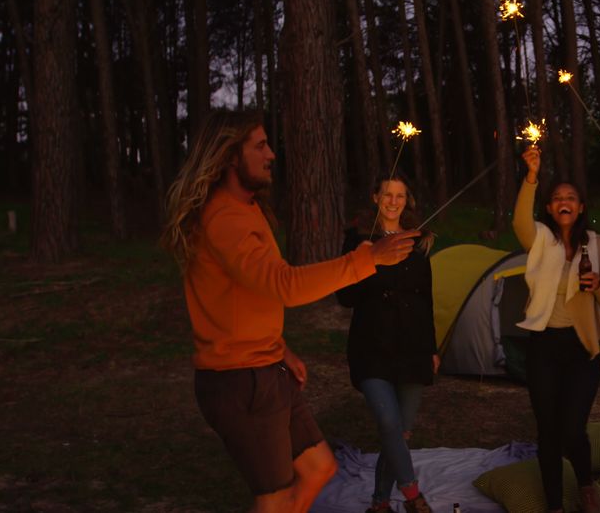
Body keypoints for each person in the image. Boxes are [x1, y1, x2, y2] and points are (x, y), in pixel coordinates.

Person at [161, 110, 418, 513]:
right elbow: (283, 285)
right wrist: (366, 260)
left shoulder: (247, 209)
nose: (271, 155)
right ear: (230, 155)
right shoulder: (225, 218)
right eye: (260, 146)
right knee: (275, 499)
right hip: (238, 380)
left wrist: (279, 348)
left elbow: (243, 297)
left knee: (318, 468)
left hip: (265, 366)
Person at [513, 146, 600, 513]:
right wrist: (531, 177)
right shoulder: (540, 240)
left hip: (582, 349)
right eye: (557, 198)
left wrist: (597, 285)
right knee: (548, 432)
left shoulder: (598, 245)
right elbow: (519, 224)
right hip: (544, 346)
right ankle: (555, 505)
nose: (564, 202)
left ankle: (586, 486)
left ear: (581, 207)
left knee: (573, 429)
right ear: (549, 208)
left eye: (570, 198)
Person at [336, 174, 437, 513]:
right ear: (375, 197)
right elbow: (345, 296)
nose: (393, 201)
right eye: (387, 194)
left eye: (400, 195)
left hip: (412, 351)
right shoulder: (359, 240)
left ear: (407, 201)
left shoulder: (418, 241)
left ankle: (379, 503)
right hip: (372, 348)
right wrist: (369, 260)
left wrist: (432, 350)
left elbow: (426, 301)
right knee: (389, 425)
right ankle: (413, 497)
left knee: (400, 436)